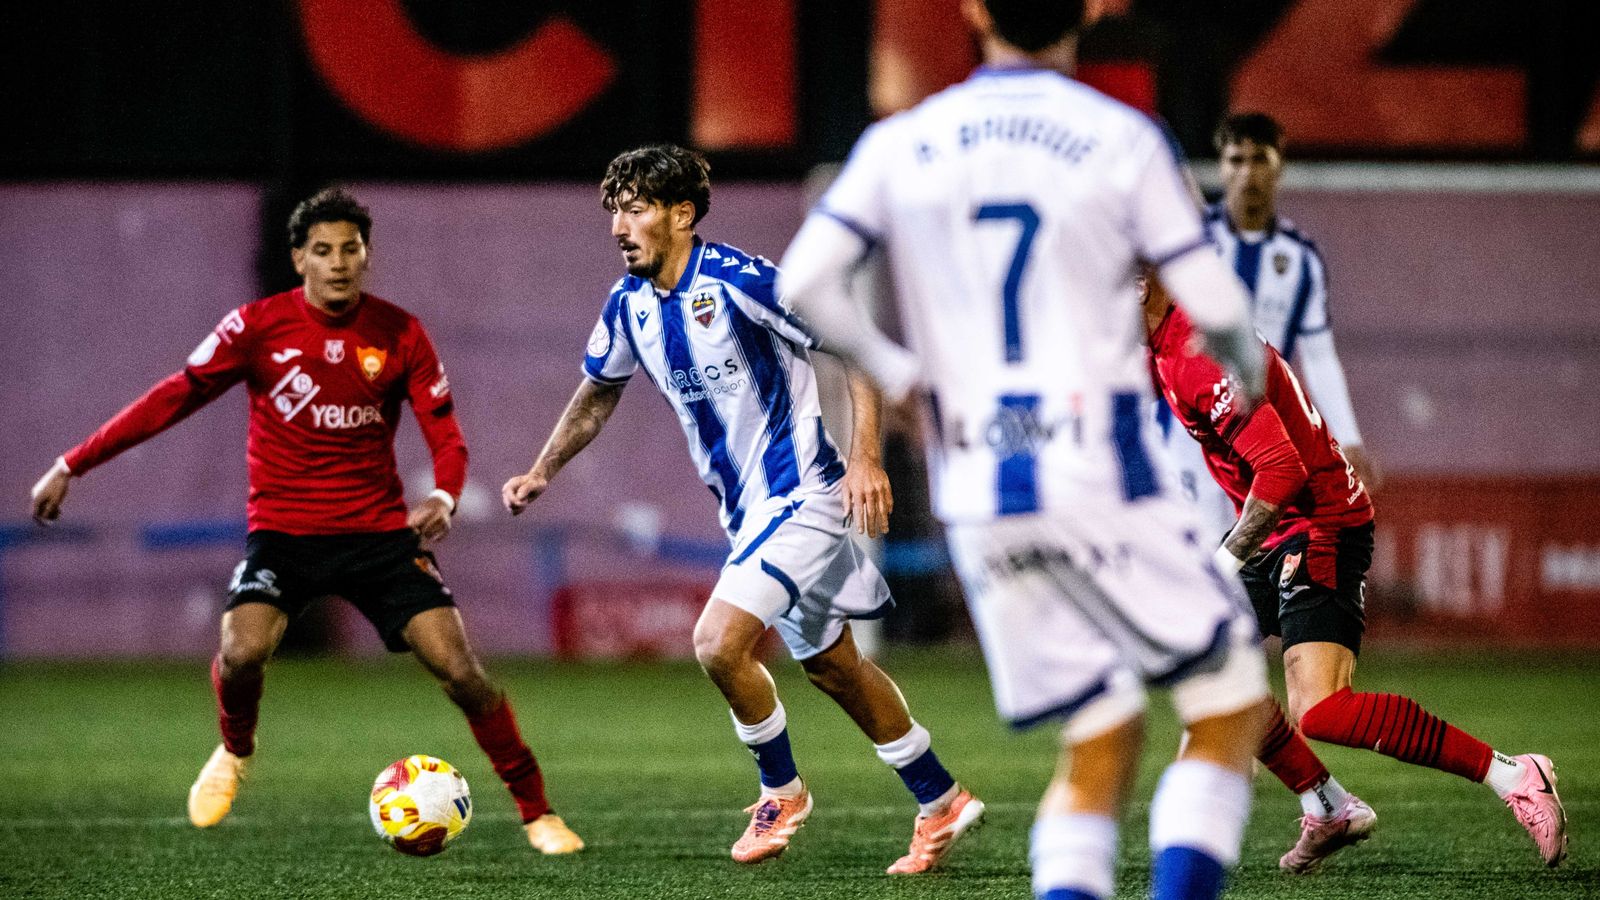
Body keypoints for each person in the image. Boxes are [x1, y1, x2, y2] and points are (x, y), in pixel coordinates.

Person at [777, 2, 1278, 898]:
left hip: (980, 491)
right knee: (1229, 698)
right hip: (1099, 471)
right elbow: (1215, 299)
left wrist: (898, 371)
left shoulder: (904, 142)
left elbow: (807, 281)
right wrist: (1245, 368)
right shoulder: (1122, 136)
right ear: (1085, 11)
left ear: (974, 9)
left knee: (1100, 729)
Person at [28, 189, 584, 855]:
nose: (339, 262)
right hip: (284, 535)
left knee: (462, 671)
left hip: (379, 536)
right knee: (241, 654)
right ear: (299, 259)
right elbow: (172, 397)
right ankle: (236, 750)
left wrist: (444, 495)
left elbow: (445, 432)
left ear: (367, 255)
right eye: (323, 250)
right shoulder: (255, 328)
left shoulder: (400, 333)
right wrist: (71, 463)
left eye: (351, 248)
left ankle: (537, 812)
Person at [501, 145, 984, 873]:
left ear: (682, 215)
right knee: (833, 667)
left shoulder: (742, 281)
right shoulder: (628, 305)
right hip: (750, 515)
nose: (619, 227)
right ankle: (940, 798)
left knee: (717, 643)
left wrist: (866, 458)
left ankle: (781, 792)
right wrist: (543, 468)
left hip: (805, 495)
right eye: (615, 212)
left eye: (636, 210)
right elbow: (598, 392)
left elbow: (851, 349)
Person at [1143, 279, 1569, 870]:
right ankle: (1328, 806)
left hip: (1319, 521)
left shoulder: (1198, 351)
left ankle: (1515, 775)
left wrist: (1219, 565)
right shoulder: (1160, 340)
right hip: (1273, 524)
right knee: (1209, 668)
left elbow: (1281, 470)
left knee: (1322, 710)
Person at [1167, 112, 1381, 544]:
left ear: (1279, 165)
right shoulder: (1187, 243)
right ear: (1221, 167)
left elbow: (1319, 356)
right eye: (1236, 160)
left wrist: (1349, 437)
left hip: (1263, 441)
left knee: (1250, 566)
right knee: (1190, 560)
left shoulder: (1301, 259)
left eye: (1259, 159)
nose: (1248, 173)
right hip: (1187, 436)